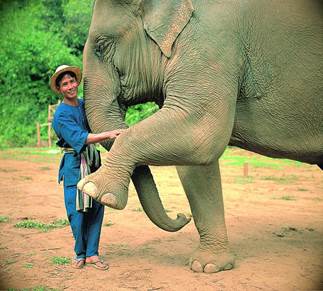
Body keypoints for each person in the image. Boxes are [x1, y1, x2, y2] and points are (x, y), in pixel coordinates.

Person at [50, 65, 123, 270]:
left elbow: (100, 117)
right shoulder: (61, 115)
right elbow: (81, 138)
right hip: (74, 164)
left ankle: (92, 254)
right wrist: (107, 135)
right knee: (77, 211)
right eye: (65, 84)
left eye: (72, 81)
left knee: (97, 206)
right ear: (60, 89)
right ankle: (79, 253)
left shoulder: (84, 106)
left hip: (93, 162)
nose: (70, 86)